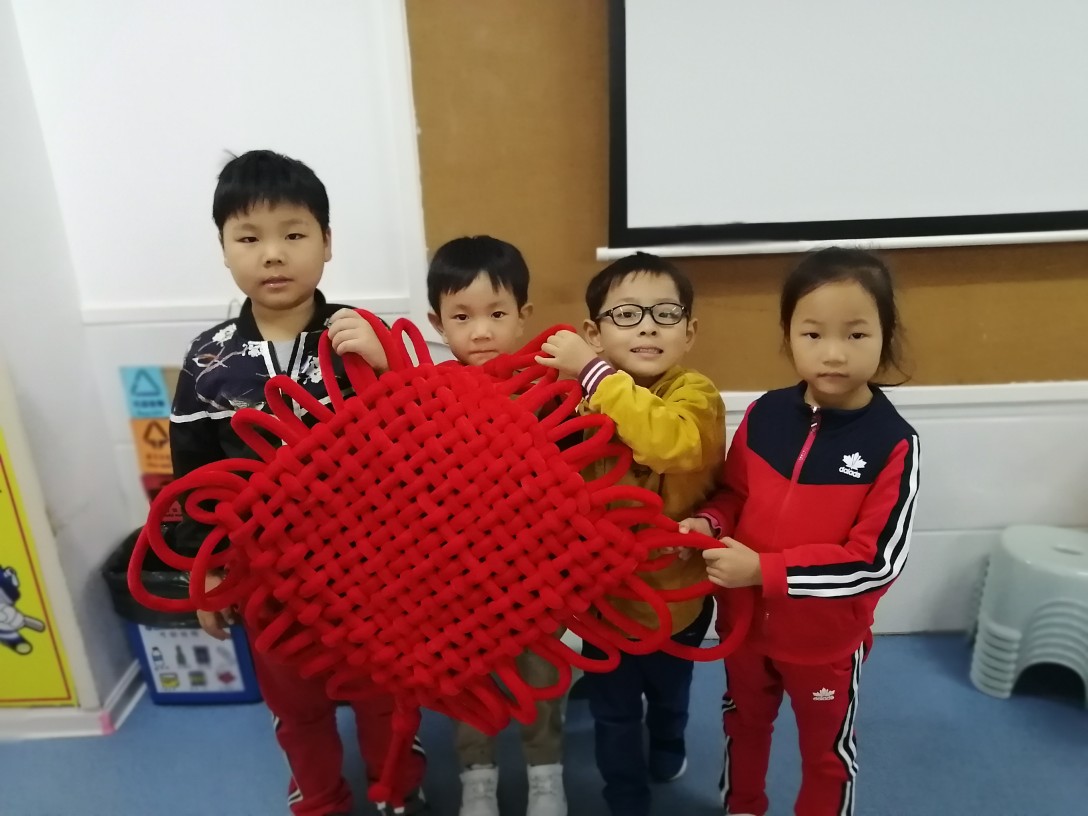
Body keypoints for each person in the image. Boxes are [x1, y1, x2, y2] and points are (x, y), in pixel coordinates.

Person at [170, 150, 424, 816]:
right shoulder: (209, 359)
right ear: (224, 249)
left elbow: (427, 442)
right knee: (295, 703)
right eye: (249, 238)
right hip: (267, 576)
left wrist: (390, 366)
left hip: (375, 570)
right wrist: (206, 571)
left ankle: (397, 786)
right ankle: (320, 796)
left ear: (327, 242)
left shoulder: (364, 336)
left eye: (293, 233)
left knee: (384, 693)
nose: (273, 254)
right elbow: (192, 476)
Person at [682, 248, 921, 816]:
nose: (833, 353)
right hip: (743, 628)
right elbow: (734, 494)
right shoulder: (764, 414)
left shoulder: (894, 443)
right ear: (788, 335)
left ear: (885, 336)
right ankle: (743, 807)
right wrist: (709, 523)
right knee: (743, 727)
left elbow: (876, 562)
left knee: (826, 754)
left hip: (823, 645)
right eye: (813, 334)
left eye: (856, 334)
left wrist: (764, 571)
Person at [537, 252, 725, 816]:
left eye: (665, 314)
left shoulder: (696, 393)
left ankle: (667, 743)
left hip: (677, 598)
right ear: (594, 332)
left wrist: (595, 372)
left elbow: (670, 443)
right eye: (626, 315)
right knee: (614, 713)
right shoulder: (577, 400)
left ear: (689, 332)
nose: (647, 327)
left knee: (670, 695)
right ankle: (624, 796)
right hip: (606, 599)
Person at [426, 235, 567, 816]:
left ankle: (546, 774)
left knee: (541, 673)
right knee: (465, 677)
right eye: (462, 317)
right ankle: (477, 776)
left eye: (497, 314)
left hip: (535, 573)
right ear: (437, 323)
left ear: (523, 316)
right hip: (456, 577)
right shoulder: (430, 395)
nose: (481, 332)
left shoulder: (550, 390)